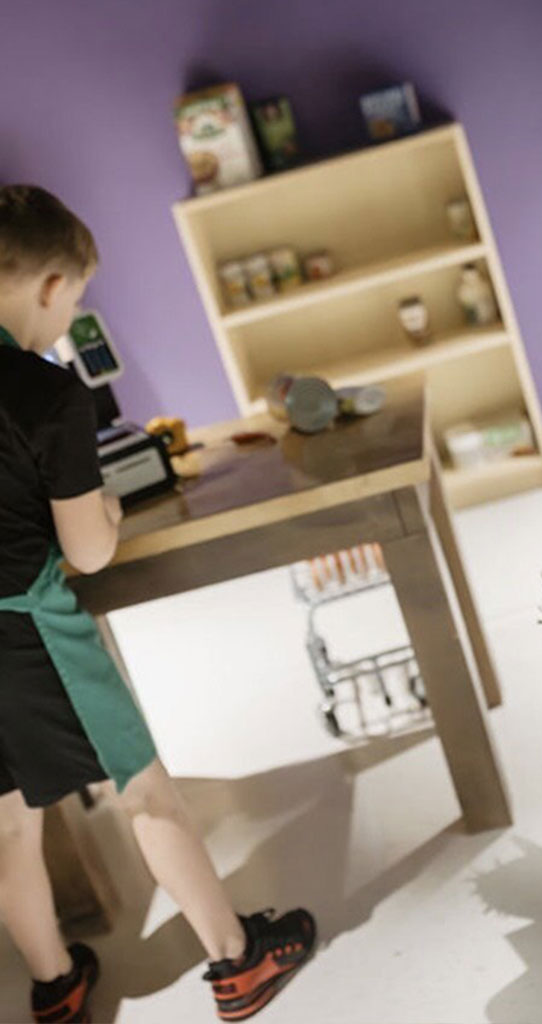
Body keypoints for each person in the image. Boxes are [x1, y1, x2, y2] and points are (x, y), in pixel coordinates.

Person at [0, 185, 315, 1023]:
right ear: (50, 285)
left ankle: (55, 986)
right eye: (74, 301)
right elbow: (89, 550)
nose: (68, 320)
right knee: (144, 788)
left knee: (7, 825)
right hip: (31, 631)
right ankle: (237, 960)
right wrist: (100, 505)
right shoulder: (46, 392)